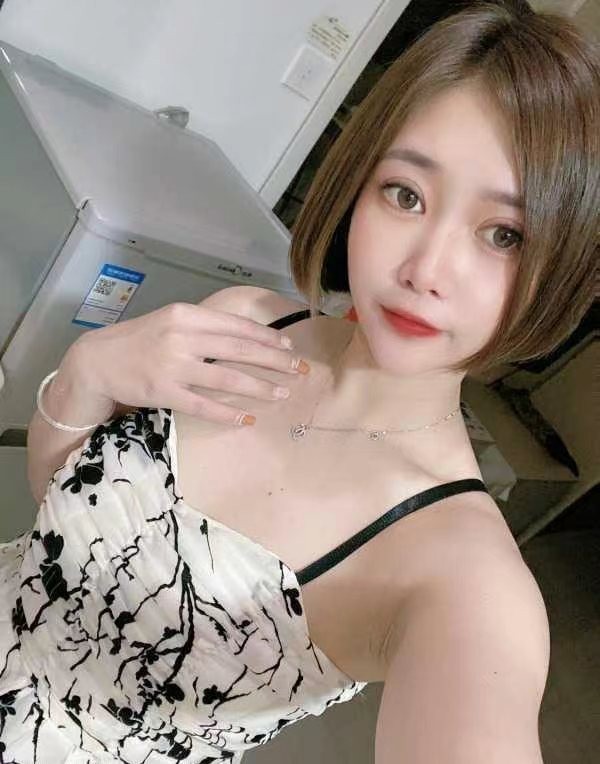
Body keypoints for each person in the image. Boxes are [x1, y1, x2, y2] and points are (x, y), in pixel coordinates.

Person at [2, 2, 598, 762]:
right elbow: (54, 527)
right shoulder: (243, 317)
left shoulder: (459, 570)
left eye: (503, 235)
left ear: (558, 268)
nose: (426, 270)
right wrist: (86, 373)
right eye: (406, 194)